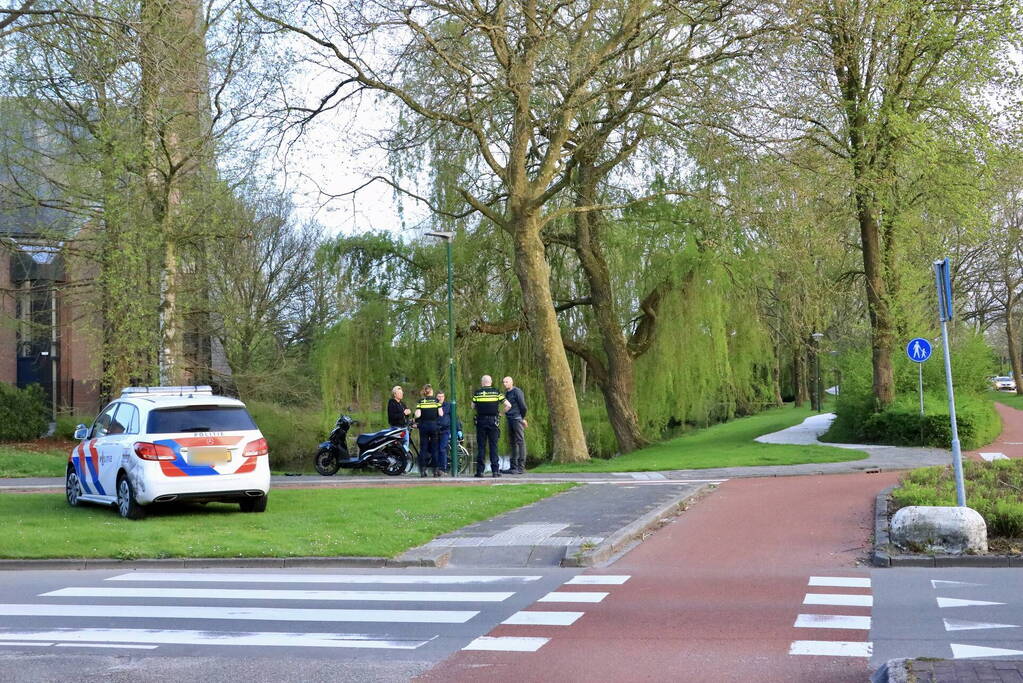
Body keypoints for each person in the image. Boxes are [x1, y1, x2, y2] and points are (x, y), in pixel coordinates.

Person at [471, 375, 504, 477]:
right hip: (493, 421)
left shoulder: (477, 393)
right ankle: (495, 471)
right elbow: (508, 405)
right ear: (491, 382)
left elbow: (472, 406)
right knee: (493, 446)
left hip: (481, 421)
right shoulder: (496, 392)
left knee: (481, 446)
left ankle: (480, 471)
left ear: (482, 382)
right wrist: (501, 413)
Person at [500, 376, 527, 474]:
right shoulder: (507, 393)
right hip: (509, 419)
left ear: (511, 382)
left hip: (517, 419)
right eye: (503, 382)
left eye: (506, 382)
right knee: (512, 443)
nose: (505, 384)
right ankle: (513, 467)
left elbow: (523, 406)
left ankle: (521, 467)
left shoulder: (517, 391)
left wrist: (522, 418)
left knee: (520, 441)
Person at [414, 384, 443, 477]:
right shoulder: (436, 401)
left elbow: (418, 415)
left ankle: (423, 470)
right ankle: (435, 470)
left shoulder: (421, 401)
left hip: (423, 426)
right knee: (434, 448)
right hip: (434, 426)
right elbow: (441, 413)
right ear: (431, 391)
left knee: (423, 448)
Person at [436, 391, 462, 476]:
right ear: (436, 397)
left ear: (444, 397)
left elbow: (454, 418)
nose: (440, 398)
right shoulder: (433, 405)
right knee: (435, 449)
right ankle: (436, 468)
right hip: (435, 430)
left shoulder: (448, 405)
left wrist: (458, 429)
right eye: (439, 396)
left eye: (442, 396)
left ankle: (443, 469)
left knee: (442, 448)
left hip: (445, 430)